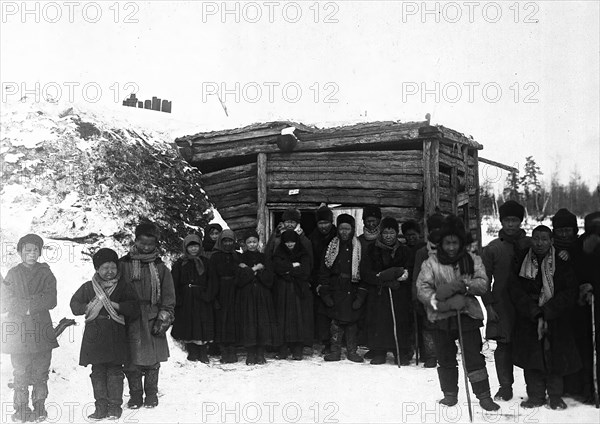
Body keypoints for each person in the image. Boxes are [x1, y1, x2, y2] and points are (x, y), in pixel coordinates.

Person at [416, 215, 500, 411]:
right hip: (441, 316)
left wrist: (465, 285)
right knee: (445, 357)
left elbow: (483, 284)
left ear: (461, 242)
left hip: (467, 315)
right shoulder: (431, 263)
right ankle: (450, 394)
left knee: (473, 357)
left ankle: (484, 396)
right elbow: (422, 288)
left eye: (455, 242)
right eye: (447, 243)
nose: (451, 247)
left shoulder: (472, 260)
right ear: (442, 243)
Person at [508, 225, 581, 409]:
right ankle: (535, 396)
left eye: (544, 239)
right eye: (536, 238)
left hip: (556, 318)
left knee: (555, 357)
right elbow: (515, 290)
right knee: (532, 359)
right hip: (529, 318)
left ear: (551, 241)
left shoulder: (561, 262)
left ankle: (555, 396)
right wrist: (533, 311)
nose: (539, 243)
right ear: (531, 239)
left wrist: (548, 311)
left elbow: (569, 291)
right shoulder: (521, 261)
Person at [70, 248, 140, 420]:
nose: (109, 272)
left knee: (115, 372)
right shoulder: (88, 287)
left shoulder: (124, 286)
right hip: (95, 335)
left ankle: (115, 407)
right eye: (105, 268)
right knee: (98, 372)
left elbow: (134, 307)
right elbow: (74, 305)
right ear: (97, 269)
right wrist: (89, 307)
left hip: (116, 334)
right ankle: (100, 407)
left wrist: (114, 305)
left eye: (113, 267)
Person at [1, 234, 58, 422]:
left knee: (41, 371)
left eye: (35, 250)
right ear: (19, 252)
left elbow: (51, 299)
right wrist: (29, 305)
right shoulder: (13, 274)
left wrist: (26, 306)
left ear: (40, 252)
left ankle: (40, 407)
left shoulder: (46, 273)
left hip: (41, 329)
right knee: (21, 372)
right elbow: (6, 300)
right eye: (27, 250)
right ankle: (21, 409)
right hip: (19, 331)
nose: (32, 254)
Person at [120, 221, 175, 409]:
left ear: (156, 244)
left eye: (150, 244)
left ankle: (151, 393)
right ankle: (135, 395)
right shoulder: (123, 264)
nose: (146, 247)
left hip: (152, 317)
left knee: (153, 360)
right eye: (142, 243)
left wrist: (164, 316)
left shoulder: (160, 267)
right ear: (135, 241)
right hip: (130, 318)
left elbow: (168, 295)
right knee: (131, 359)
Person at [481, 200, 530, 401]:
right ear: (501, 221)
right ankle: (505, 387)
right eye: (507, 220)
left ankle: (533, 389)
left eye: (515, 220)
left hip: (528, 304)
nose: (511, 225)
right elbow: (484, 279)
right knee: (503, 346)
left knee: (529, 344)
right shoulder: (492, 248)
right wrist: (489, 306)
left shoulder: (530, 244)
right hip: (502, 304)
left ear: (520, 222)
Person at [361, 217, 413, 365]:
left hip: (399, 293)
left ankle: (400, 351)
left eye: (391, 233)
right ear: (381, 233)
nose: (388, 236)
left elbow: (409, 268)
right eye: (385, 233)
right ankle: (379, 351)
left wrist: (403, 277)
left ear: (396, 233)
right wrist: (381, 280)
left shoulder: (404, 250)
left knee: (400, 321)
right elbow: (365, 272)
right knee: (379, 322)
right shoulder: (372, 249)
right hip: (379, 293)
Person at [318, 214, 367, 362]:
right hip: (336, 289)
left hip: (352, 289)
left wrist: (361, 296)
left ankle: (352, 351)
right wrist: (325, 293)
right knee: (336, 322)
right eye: (341, 229)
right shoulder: (331, 247)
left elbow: (365, 272)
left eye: (347, 229)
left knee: (352, 321)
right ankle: (335, 351)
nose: (344, 232)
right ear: (337, 230)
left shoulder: (359, 247)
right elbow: (324, 270)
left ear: (352, 229)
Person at [236, 229, 277, 365]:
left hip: (262, 294)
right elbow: (239, 280)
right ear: (245, 244)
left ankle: (260, 353)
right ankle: (250, 353)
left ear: (258, 242)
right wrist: (254, 269)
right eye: (249, 242)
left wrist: (254, 272)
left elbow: (269, 278)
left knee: (262, 322)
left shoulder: (264, 257)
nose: (252, 245)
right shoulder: (241, 258)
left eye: (254, 242)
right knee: (249, 322)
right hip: (247, 294)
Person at [571, 211, 600, 404]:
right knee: (585, 346)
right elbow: (573, 271)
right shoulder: (578, 246)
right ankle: (587, 388)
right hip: (584, 307)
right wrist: (582, 288)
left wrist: (595, 286)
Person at [171, 234, 213, 364]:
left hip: (201, 295)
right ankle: (192, 350)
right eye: (191, 246)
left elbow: (212, 280)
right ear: (186, 247)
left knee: (202, 322)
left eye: (196, 246)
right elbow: (174, 282)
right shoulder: (180, 263)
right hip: (186, 296)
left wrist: (208, 295)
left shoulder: (206, 262)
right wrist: (178, 298)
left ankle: (203, 351)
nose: (193, 249)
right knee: (189, 323)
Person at [272, 229, 314, 360]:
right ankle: (283, 348)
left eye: (292, 242)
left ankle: (297, 349)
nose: (290, 245)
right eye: (287, 242)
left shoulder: (303, 253)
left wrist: (286, 271)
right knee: (282, 318)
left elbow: (305, 271)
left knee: (299, 319)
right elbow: (276, 267)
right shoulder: (279, 252)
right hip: (282, 291)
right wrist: (292, 266)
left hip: (298, 291)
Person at [412, 213, 445, 368]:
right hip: (428, 295)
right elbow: (416, 277)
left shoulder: (452, 249)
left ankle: (445, 353)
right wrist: (416, 298)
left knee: (445, 325)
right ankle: (430, 355)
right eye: (433, 229)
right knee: (428, 325)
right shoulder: (422, 252)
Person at [208, 229, 241, 364]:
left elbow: (240, 273)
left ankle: (232, 349)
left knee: (233, 319)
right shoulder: (215, 257)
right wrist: (214, 296)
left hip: (235, 290)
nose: (228, 244)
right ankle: (223, 350)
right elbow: (212, 276)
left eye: (230, 241)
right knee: (221, 320)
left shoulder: (237, 256)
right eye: (225, 241)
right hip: (220, 290)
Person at [309, 204, 337, 353]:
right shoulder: (313, 237)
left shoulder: (337, 236)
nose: (323, 226)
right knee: (322, 313)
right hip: (318, 281)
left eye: (326, 222)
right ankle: (325, 342)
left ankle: (336, 343)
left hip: (335, 280)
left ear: (331, 222)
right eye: (320, 223)